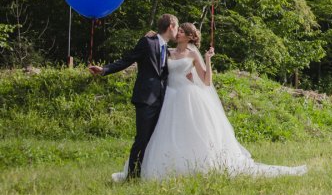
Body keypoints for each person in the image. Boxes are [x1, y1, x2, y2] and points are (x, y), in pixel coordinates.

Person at [112, 22, 306, 181]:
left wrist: (208, 59)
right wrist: (151, 35)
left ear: (189, 36)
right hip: (169, 96)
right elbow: (156, 53)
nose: (178, 32)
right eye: (177, 29)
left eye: (181, 31)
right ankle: (154, 168)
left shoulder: (193, 53)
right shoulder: (168, 51)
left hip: (187, 96)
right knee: (165, 133)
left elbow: (206, 81)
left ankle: (196, 166)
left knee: (190, 133)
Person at [89, 14, 177, 180]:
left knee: (156, 139)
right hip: (145, 98)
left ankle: (149, 174)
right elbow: (127, 59)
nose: (178, 31)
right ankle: (132, 176)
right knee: (142, 138)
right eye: (177, 27)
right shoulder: (147, 42)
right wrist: (105, 69)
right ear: (171, 26)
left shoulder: (168, 49)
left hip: (162, 100)